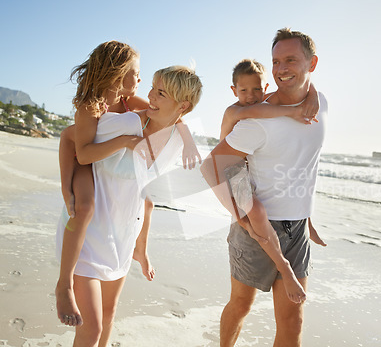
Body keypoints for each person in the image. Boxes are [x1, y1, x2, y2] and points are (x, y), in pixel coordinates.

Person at [55, 41, 201, 329]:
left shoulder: (129, 103)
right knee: (83, 207)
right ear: (117, 74)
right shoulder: (90, 107)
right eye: (136, 73)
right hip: (82, 162)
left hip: (104, 160)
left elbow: (172, 115)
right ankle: (64, 284)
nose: (141, 80)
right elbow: (77, 148)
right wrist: (65, 185)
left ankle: (139, 250)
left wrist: (188, 140)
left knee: (147, 200)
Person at [201, 28, 327, 347]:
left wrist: (307, 216)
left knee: (292, 320)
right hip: (255, 225)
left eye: (290, 59)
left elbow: (306, 164)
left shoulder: (320, 104)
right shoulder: (255, 120)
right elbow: (212, 165)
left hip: (296, 228)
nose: (282, 67)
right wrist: (239, 216)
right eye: (276, 61)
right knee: (241, 305)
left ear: (311, 64)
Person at [219, 59, 326, 304]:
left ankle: (308, 222)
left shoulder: (263, 102)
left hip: (249, 169)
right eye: (244, 90)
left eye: (257, 89)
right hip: (232, 170)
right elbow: (261, 111)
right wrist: (298, 110)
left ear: (265, 87)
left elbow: (301, 85)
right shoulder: (235, 110)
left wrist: (313, 94)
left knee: (293, 180)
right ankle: (284, 267)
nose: (251, 95)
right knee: (256, 212)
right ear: (234, 91)